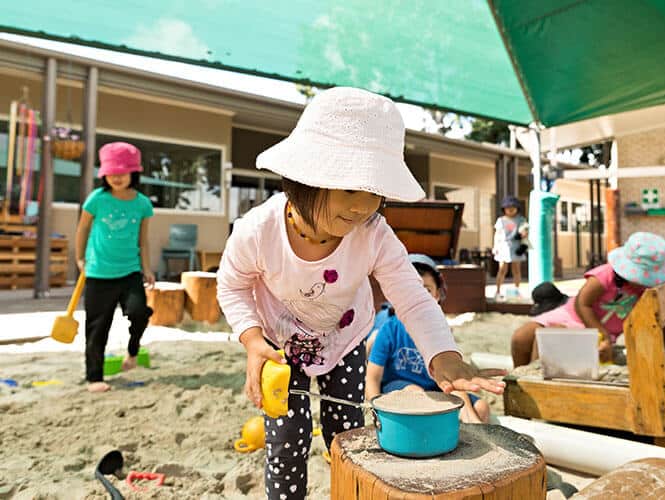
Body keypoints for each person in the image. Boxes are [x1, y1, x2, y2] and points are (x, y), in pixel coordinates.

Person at [216, 87, 505, 500]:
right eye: (350, 189)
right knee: (286, 441)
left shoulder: (373, 234)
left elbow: (412, 295)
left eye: (374, 193)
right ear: (305, 178)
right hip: (279, 349)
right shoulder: (257, 231)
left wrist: (443, 354)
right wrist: (250, 339)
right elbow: (231, 284)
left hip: (345, 340)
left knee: (347, 436)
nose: (363, 207)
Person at [511, 232, 665, 367]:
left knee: (547, 340)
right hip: (576, 316)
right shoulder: (604, 276)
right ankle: (518, 384)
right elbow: (582, 304)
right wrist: (600, 334)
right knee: (521, 337)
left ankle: (534, 385)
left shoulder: (645, 290)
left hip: (602, 331)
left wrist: (606, 339)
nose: (642, 282)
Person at [366, 254, 490, 423]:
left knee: (481, 407)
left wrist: (468, 411)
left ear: (437, 295)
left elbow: (451, 377)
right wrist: (376, 410)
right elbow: (372, 377)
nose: (420, 298)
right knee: (415, 392)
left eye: (427, 290)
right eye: (413, 290)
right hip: (398, 387)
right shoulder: (390, 328)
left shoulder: (441, 331)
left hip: (434, 388)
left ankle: (469, 436)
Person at [75, 142, 155, 393]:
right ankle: (94, 377)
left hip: (130, 270)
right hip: (99, 272)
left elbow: (143, 239)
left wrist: (147, 268)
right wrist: (79, 259)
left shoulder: (142, 203)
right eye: (112, 172)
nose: (117, 177)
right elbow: (83, 229)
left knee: (140, 312)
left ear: (134, 172)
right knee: (97, 326)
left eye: (122, 171)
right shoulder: (97, 200)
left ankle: (132, 352)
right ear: (104, 174)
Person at [493, 195, 528, 299]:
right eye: (508, 208)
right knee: (502, 269)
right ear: (504, 209)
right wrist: (495, 247)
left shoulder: (521, 219)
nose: (510, 210)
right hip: (503, 246)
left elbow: (524, 232)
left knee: (516, 270)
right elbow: (497, 234)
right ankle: (498, 291)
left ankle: (517, 290)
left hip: (517, 247)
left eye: (513, 207)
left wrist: (523, 234)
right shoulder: (501, 220)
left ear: (517, 208)